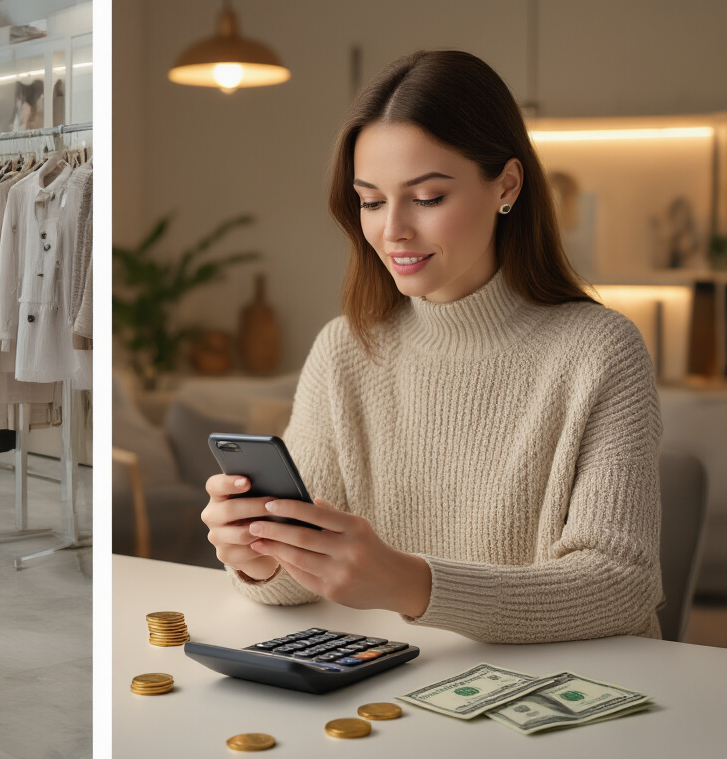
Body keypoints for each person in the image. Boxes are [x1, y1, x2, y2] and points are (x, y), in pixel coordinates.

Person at [201, 50, 663, 644]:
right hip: (406, 692)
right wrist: (259, 554)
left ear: (508, 185)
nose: (392, 230)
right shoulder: (345, 350)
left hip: (571, 702)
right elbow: (306, 577)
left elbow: (621, 586)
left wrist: (410, 584)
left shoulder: (600, 351)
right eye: (370, 200)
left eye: (427, 198)